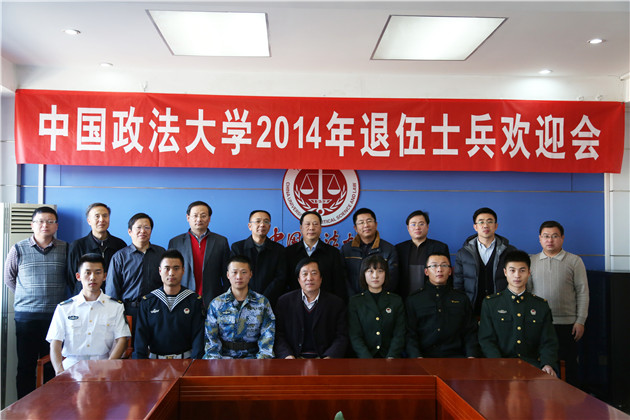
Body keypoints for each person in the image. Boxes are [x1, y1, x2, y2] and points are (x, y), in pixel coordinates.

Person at [3, 206, 68, 398]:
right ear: (32, 225)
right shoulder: (18, 248)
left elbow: (71, 278)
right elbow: (9, 278)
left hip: (55, 317)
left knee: (52, 364)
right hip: (26, 318)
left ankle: (50, 406)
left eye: (50, 221)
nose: (45, 225)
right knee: (26, 365)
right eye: (40, 221)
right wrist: (27, 296)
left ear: (56, 226)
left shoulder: (66, 248)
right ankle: (24, 407)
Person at [478, 250, 559, 376]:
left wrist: (547, 363)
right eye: (512, 270)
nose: (517, 275)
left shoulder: (540, 305)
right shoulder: (491, 303)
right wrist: (498, 363)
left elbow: (548, 341)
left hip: (532, 367)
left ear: (529, 272)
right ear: (505, 272)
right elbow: (486, 340)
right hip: (500, 367)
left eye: (522, 270)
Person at [46, 253, 130, 374]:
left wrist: (108, 367)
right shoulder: (64, 308)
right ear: (78, 276)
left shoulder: (115, 306)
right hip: (71, 367)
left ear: (105, 276)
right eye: (87, 273)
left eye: (98, 273)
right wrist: (59, 372)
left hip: (103, 365)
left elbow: (122, 339)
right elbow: (55, 343)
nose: (92, 277)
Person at [529, 220, 589, 386]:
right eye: (546, 236)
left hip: (567, 324)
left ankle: (571, 400)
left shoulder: (574, 261)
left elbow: (583, 292)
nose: (550, 240)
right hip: (539, 323)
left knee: (569, 366)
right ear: (540, 238)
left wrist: (580, 321)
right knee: (543, 366)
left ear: (562, 238)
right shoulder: (531, 261)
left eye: (555, 236)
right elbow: (527, 293)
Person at [133, 249, 205, 359]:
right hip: (155, 363)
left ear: (183, 270)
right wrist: (140, 365)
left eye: (176, 268)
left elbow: (198, 339)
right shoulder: (148, 302)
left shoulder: (194, 301)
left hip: (185, 362)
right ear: (160, 271)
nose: (171, 273)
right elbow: (140, 339)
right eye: (167, 268)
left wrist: (195, 364)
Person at [406, 252, 479, 358]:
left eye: (444, 265)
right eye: (434, 266)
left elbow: (470, 332)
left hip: (456, 357)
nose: (439, 269)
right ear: (426, 271)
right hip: (424, 358)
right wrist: (417, 357)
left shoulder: (461, 298)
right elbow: (410, 334)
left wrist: (471, 356)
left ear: (450, 271)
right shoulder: (414, 299)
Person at [274, 258, 348, 359]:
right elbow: (278, 335)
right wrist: (287, 356)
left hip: (324, 359)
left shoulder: (336, 303)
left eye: (314, 273)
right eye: (304, 274)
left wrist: (329, 357)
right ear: (298, 279)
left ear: (321, 278)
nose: (309, 278)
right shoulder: (284, 302)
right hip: (293, 358)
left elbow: (341, 336)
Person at [204, 255, 275, 359]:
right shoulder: (216, 304)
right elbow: (211, 340)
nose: (239, 277)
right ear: (228, 275)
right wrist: (217, 363)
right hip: (224, 359)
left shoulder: (262, 302)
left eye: (244, 272)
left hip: (254, 358)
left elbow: (267, 337)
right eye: (234, 272)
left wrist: (261, 362)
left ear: (250, 274)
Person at [453, 207, 516, 316]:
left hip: (502, 307)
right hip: (472, 308)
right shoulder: (463, 253)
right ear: (475, 227)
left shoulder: (510, 251)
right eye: (481, 222)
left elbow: (516, 281)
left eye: (489, 221)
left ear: (496, 226)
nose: (485, 225)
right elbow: (458, 284)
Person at [168, 201, 230, 308]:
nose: (199, 219)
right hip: (183, 299)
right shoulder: (175, 242)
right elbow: (170, 273)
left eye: (203, 216)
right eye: (195, 216)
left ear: (209, 219)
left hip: (214, 300)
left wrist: (225, 298)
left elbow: (227, 274)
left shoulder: (221, 241)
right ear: (188, 218)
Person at [105, 213, 165, 320]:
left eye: (147, 227)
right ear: (130, 231)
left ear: (151, 231)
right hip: (129, 311)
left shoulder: (161, 253)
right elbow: (112, 290)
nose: (143, 231)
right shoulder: (120, 257)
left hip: (156, 309)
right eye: (138, 227)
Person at [347, 255, 405, 358]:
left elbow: (399, 334)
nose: (375, 276)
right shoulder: (355, 302)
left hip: (390, 358)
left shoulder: (396, 301)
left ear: (386, 274)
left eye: (380, 271)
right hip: (363, 359)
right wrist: (368, 360)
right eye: (370, 271)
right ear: (363, 274)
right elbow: (355, 336)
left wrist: (391, 357)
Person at [284, 211, 347, 301]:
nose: (311, 228)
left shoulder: (333, 253)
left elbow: (339, 284)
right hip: (295, 303)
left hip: (325, 303)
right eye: (307, 224)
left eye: (315, 224)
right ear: (301, 228)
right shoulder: (288, 252)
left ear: (320, 228)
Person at [67, 203, 126, 294]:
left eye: (105, 216)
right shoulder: (77, 246)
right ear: (89, 221)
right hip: (85, 298)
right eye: (97, 216)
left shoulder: (120, 245)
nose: (101, 220)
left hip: (112, 297)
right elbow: (71, 278)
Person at [230, 210, 286, 306]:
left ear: (269, 226)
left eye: (266, 221)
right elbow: (234, 274)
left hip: (270, 302)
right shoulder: (238, 248)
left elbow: (280, 277)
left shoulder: (279, 249)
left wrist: (263, 298)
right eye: (258, 221)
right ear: (250, 226)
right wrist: (249, 296)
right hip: (243, 300)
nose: (262, 225)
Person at [342, 208, 399, 298]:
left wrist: (376, 299)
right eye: (361, 222)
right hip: (352, 300)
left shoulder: (389, 249)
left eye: (369, 221)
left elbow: (392, 279)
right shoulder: (346, 250)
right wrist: (354, 299)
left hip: (381, 300)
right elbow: (343, 278)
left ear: (376, 225)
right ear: (355, 228)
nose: (366, 225)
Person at [395, 210, 450, 299]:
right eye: (413, 224)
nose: (417, 227)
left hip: (432, 298)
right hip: (404, 297)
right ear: (408, 228)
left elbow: (447, 274)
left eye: (421, 224)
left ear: (427, 226)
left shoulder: (440, 247)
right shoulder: (399, 248)